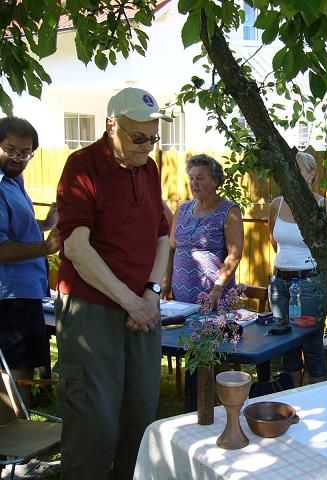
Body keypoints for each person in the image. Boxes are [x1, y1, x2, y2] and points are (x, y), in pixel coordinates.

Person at [54, 87, 171, 479]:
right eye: (139, 138)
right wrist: (131, 302)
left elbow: (161, 236)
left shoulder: (148, 169)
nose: (148, 147)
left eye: (154, 137)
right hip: (93, 310)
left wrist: (151, 294)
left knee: (141, 416)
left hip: (142, 307)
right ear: (111, 126)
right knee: (93, 426)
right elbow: (76, 249)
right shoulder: (82, 166)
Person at [0, 117, 60, 406]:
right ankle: (15, 442)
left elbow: (16, 228)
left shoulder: (14, 180)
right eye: (10, 149)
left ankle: (18, 434)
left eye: (25, 152)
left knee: (24, 369)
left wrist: (46, 223)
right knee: (16, 372)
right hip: (10, 295)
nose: (17, 158)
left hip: (26, 291)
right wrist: (45, 247)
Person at [268, 152, 327, 386]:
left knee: (312, 345)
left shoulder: (323, 206)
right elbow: (273, 240)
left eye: (298, 170)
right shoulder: (277, 204)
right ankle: (289, 401)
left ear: (312, 174)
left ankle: (317, 403)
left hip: (309, 285)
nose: (291, 176)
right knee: (286, 347)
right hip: (279, 283)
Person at [161, 154, 243, 308]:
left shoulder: (229, 211)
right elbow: (171, 248)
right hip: (180, 300)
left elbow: (235, 254)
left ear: (215, 182)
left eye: (200, 178)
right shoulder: (182, 210)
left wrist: (218, 288)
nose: (194, 183)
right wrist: (166, 281)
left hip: (213, 298)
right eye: (191, 178)